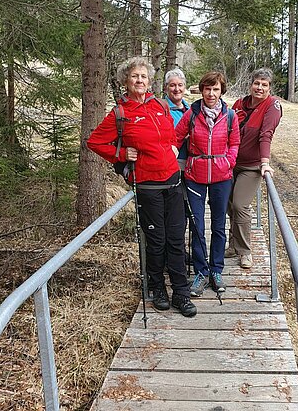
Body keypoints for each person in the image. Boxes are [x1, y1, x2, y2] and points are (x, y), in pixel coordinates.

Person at [87, 57, 197, 317]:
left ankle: (181, 293)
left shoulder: (159, 105)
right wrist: (123, 154)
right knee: (157, 242)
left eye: (143, 76)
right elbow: (95, 142)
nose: (139, 80)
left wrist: (170, 148)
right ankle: (158, 288)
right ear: (126, 81)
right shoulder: (120, 114)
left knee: (176, 240)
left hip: (173, 181)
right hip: (148, 186)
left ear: (149, 81)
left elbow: (170, 134)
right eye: (134, 76)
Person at [175, 71, 240, 296]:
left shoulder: (230, 115)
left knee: (219, 225)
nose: (211, 94)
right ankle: (201, 272)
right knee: (197, 226)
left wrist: (228, 162)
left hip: (222, 178)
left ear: (221, 91)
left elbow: (235, 143)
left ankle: (217, 270)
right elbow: (175, 137)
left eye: (215, 89)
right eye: (207, 89)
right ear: (201, 90)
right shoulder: (191, 114)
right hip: (195, 177)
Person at [226, 68, 282, 268]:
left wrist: (265, 162)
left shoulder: (272, 106)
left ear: (269, 87)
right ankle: (233, 244)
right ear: (251, 84)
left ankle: (245, 251)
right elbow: (228, 128)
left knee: (241, 205)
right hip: (231, 162)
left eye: (264, 84)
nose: (259, 87)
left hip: (252, 166)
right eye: (257, 83)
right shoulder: (240, 104)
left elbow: (266, 134)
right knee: (229, 204)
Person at [164, 68, 190, 171]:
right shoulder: (161, 110)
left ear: (184, 87)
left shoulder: (191, 109)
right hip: (172, 162)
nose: (176, 89)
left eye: (180, 85)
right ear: (166, 88)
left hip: (191, 164)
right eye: (172, 85)